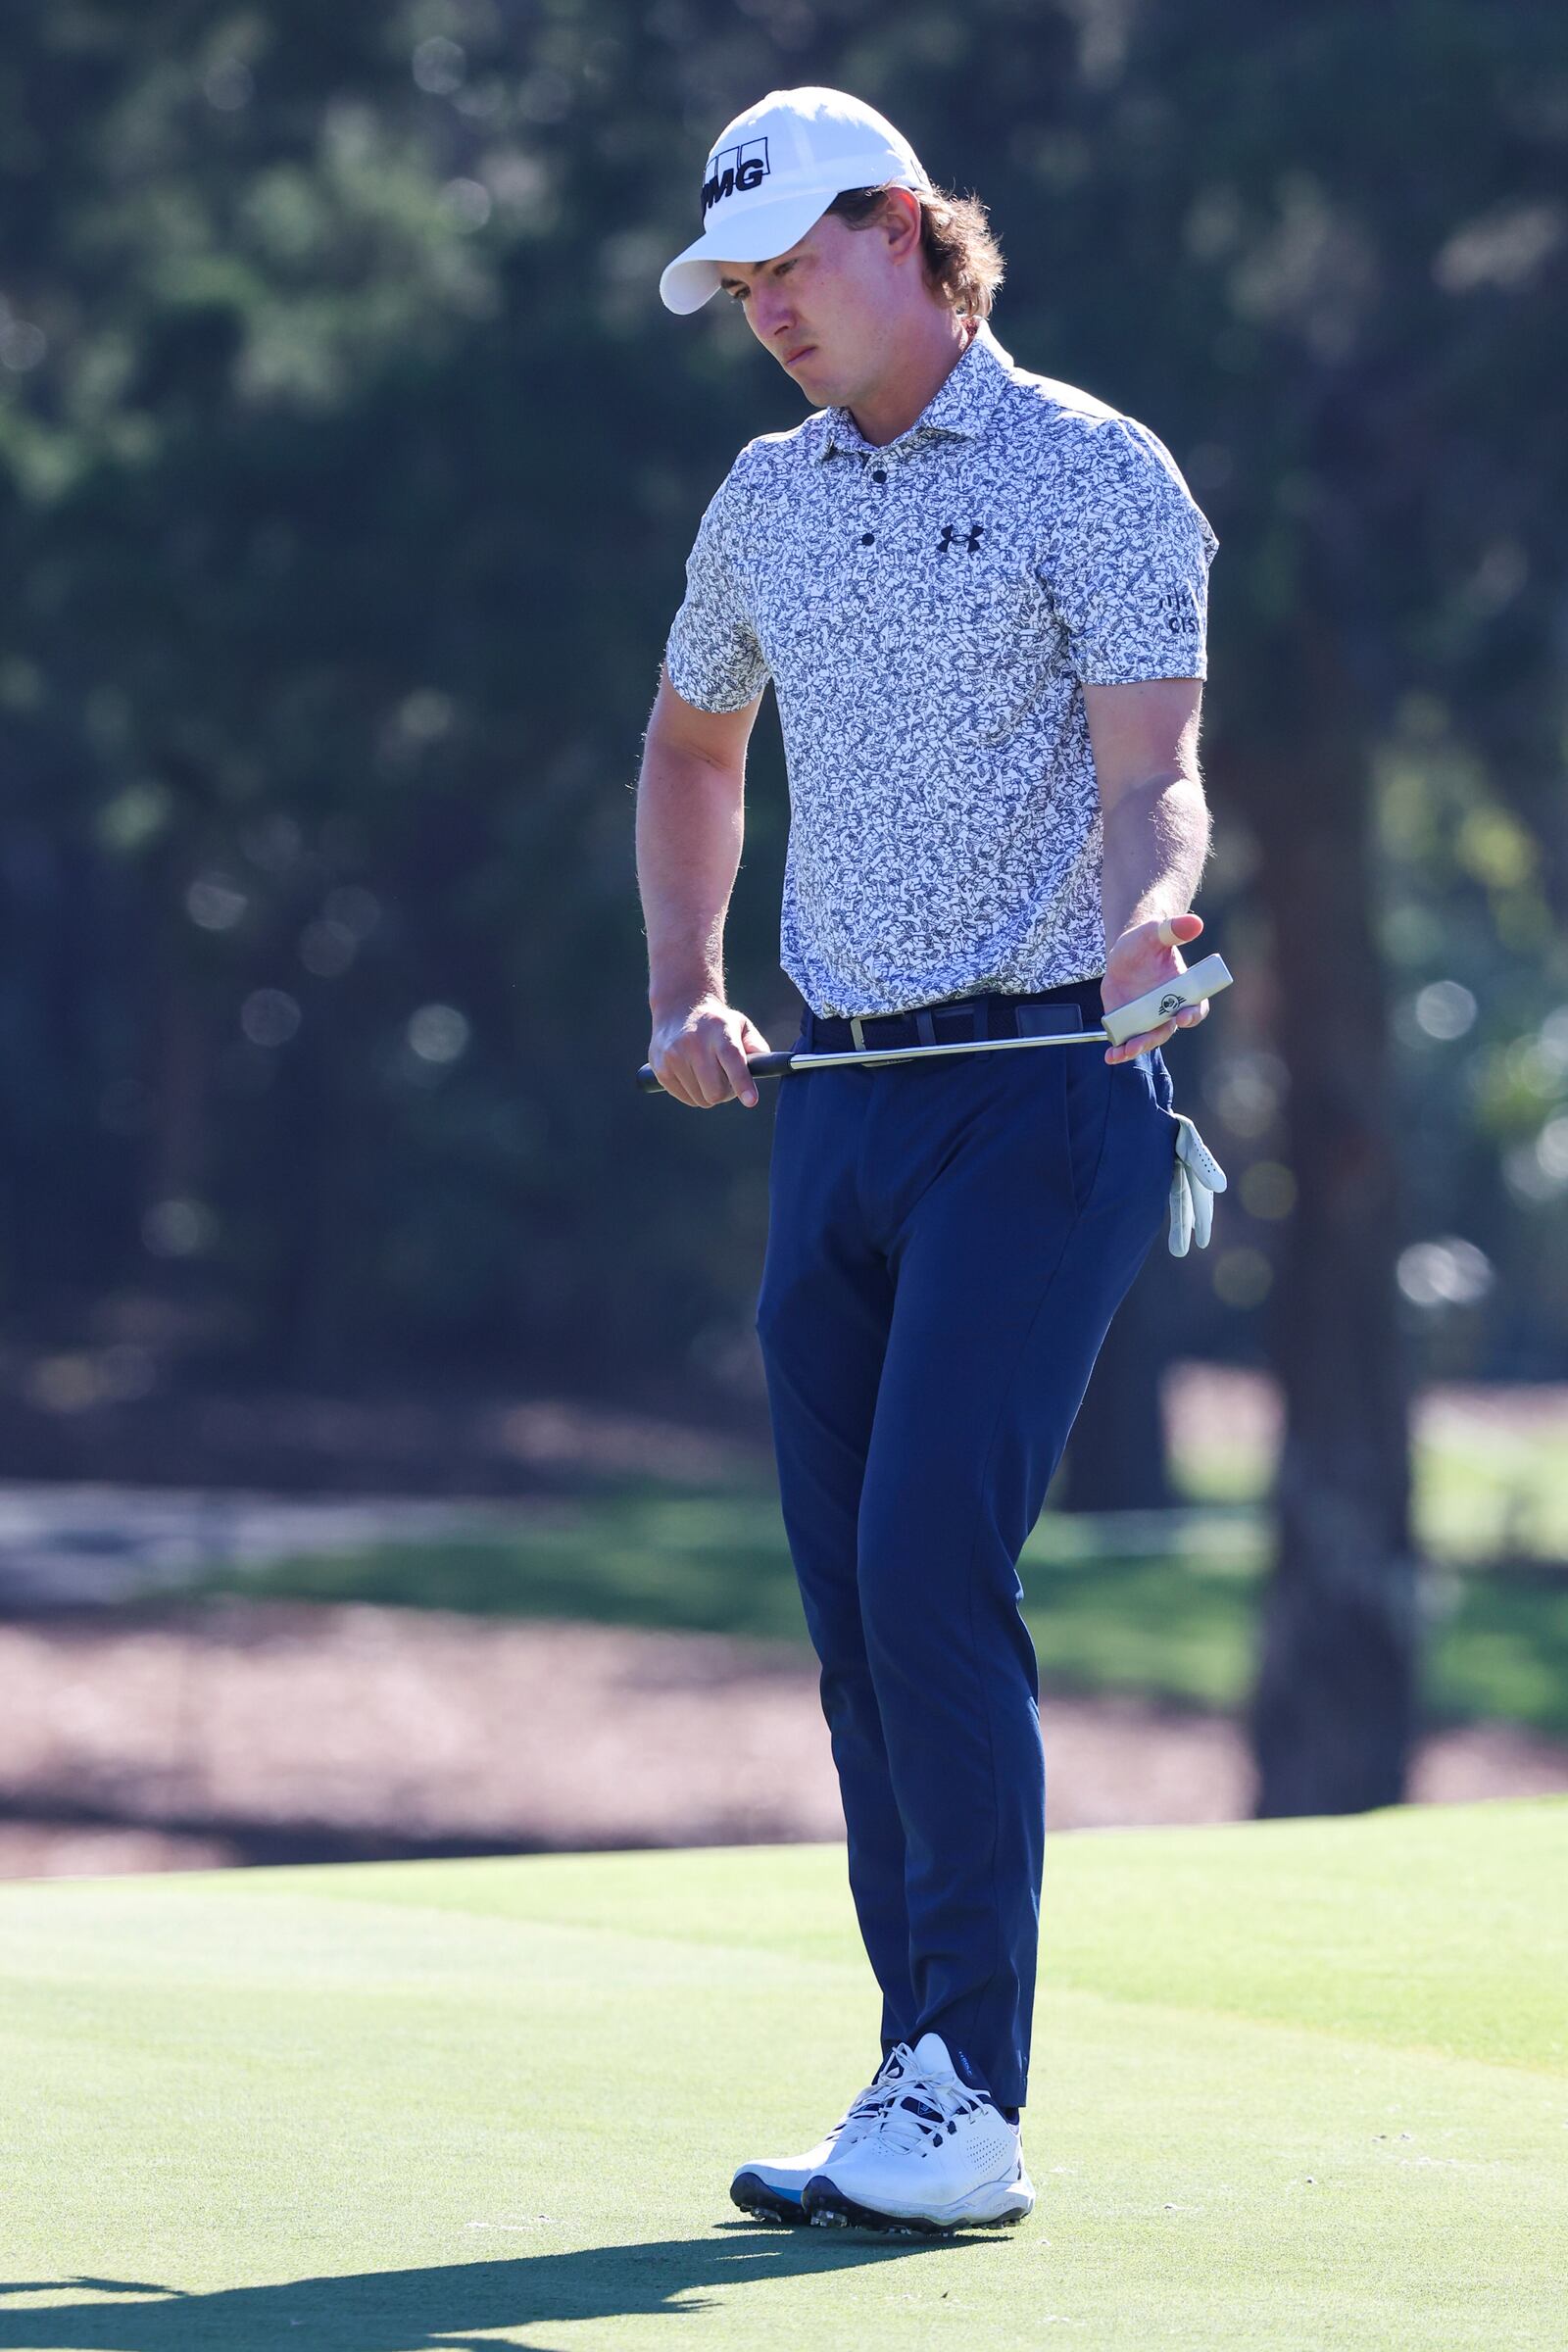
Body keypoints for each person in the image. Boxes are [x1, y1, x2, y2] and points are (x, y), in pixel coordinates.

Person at [635, 85, 1219, 2235]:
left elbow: (1153, 769)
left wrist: (1151, 912)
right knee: (849, 1619)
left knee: (922, 1573)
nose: (767, 310)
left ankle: (967, 2090)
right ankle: (917, 2071)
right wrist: (686, 979)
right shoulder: (762, 500)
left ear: (905, 231)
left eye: (796, 263)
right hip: (837, 1109)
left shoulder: (1090, 469)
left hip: (1044, 1096)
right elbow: (694, 741)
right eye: (741, 285)